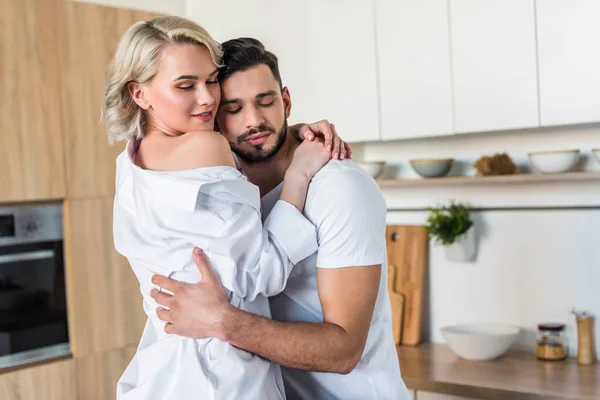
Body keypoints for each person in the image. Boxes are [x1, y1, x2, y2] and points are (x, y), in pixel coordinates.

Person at [102, 16, 349, 400]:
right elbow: (261, 273)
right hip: (221, 376)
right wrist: (298, 172)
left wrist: (287, 130)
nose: (207, 98)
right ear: (140, 93)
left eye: (211, 80)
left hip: (165, 370)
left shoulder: (130, 163)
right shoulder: (206, 148)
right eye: (186, 85)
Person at [151, 37, 410, 400]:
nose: (254, 121)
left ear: (285, 101)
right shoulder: (226, 190)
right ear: (212, 117)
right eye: (234, 108)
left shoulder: (340, 189)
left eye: (266, 101)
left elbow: (344, 350)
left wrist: (220, 321)